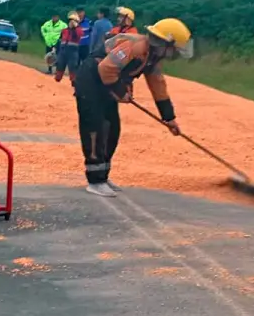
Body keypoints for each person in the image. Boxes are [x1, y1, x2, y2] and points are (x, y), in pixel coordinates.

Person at [73, 18, 194, 197]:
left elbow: (158, 85)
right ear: (165, 42)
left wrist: (169, 118)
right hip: (90, 82)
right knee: (96, 128)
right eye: (174, 49)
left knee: (113, 129)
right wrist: (121, 91)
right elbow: (106, 68)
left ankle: (103, 175)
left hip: (106, 85)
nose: (174, 53)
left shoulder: (153, 57)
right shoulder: (135, 46)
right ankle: (95, 180)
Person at [54, 11, 83, 85]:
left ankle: (74, 80)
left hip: (72, 51)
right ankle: (58, 77)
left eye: (73, 21)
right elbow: (60, 40)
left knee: (73, 66)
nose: (71, 22)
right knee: (60, 64)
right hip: (63, 50)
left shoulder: (79, 30)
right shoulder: (64, 30)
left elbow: (77, 36)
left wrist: (74, 28)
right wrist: (55, 49)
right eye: (70, 21)